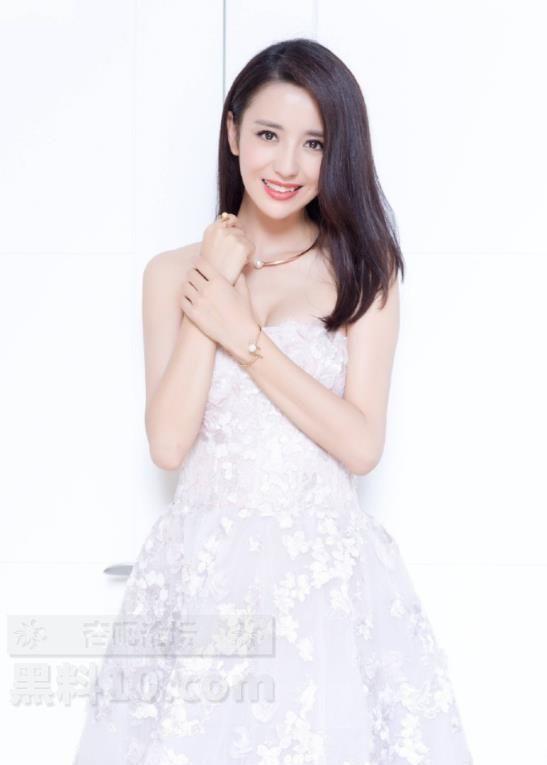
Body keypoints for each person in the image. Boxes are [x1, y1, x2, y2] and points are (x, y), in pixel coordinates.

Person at [74, 37, 474, 764]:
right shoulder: (171, 274)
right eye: (267, 135)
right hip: (201, 576)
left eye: (313, 143)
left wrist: (247, 338)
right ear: (232, 134)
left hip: (322, 584)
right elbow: (168, 444)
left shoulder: (364, 273)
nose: (287, 165)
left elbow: (361, 444)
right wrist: (214, 284)